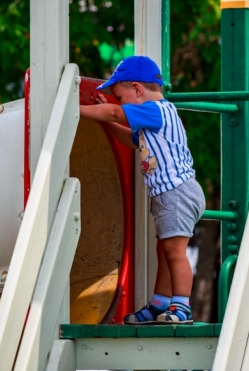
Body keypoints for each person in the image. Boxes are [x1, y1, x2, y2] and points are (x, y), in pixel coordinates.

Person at [80, 56, 205, 325]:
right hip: (171, 194)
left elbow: (114, 113)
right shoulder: (153, 120)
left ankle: (181, 306)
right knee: (165, 250)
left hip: (176, 193)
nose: (120, 104)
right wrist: (103, 123)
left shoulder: (156, 109)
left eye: (121, 97)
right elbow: (129, 138)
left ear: (137, 89)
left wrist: (74, 110)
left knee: (174, 252)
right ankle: (160, 303)